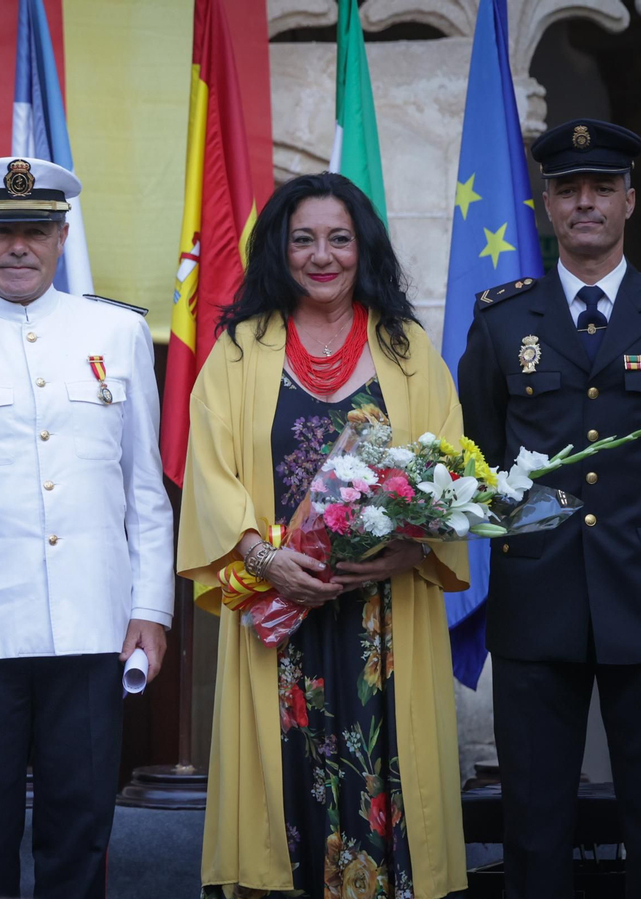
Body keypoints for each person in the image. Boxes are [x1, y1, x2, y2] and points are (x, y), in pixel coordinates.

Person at [458, 119, 641, 899]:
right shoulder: (502, 317)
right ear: (546, 203)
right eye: (568, 189)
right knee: (535, 824)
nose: (585, 202)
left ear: (630, 201)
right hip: (538, 596)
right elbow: (482, 452)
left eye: (602, 188)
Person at [0, 156, 174, 898]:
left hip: (92, 623)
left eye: (37, 230)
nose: (21, 245)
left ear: (62, 233)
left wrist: (152, 607)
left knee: (80, 831)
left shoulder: (117, 333)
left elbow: (143, 485)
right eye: (4, 229)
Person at [177, 173, 470, 898]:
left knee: (391, 780)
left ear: (362, 246)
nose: (322, 255)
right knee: (284, 801)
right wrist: (266, 557)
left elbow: (450, 468)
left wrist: (410, 548)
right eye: (303, 238)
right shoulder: (239, 351)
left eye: (339, 238)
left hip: (386, 615)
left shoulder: (408, 351)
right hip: (280, 614)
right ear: (280, 247)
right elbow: (209, 473)